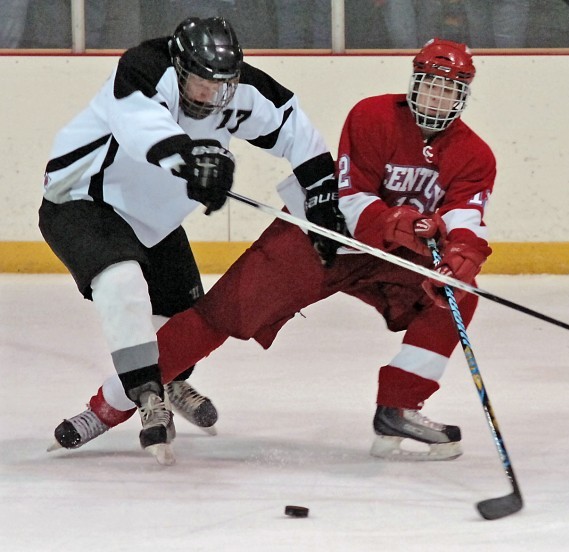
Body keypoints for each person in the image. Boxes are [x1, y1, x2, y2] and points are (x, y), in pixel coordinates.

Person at [50, 37, 495, 462]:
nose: (436, 97)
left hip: (392, 252)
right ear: (415, 81)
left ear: (462, 96)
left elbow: (465, 216)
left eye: (448, 89)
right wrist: (398, 223)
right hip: (322, 238)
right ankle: (109, 404)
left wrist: (463, 254)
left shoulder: (475, 154)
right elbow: (353, 199)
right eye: (430, 84)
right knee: (217, 315)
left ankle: (398, 407)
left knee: (458, 293)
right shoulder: (373, 116)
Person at [41, 17, 344, 465]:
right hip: (81, 200)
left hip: (152, 221)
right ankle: (147, 393)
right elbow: (140, 126)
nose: (209, 95)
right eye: (200, 83)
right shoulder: (142, 67)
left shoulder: (237, 88)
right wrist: (190, 160)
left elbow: (294, 128)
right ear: (181, 68)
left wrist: (322, 201)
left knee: (185, 316)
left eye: (220, 85)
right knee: (121, 281)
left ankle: (172, 377)